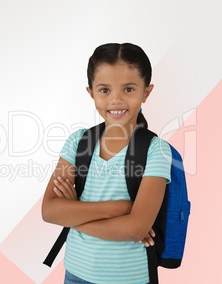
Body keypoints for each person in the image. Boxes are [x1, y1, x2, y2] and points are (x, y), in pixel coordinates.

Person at [41, 43, 172, 284]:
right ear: (91, 92)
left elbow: (135, 228)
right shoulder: (78, 141)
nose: (116, 100)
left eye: (129, 89)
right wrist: (118, 208)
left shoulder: (156, 150)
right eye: (104, 90)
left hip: (130, 278)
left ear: (146, 92)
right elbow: (49, 211)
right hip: (75, 274)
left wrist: (73, 213)